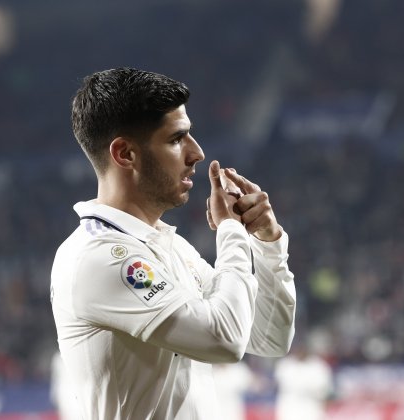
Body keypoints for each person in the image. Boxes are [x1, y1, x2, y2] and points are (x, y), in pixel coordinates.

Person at [50, 67, 296, 420]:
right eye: (176, 139)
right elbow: (223, 340)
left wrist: (268, 244)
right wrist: (230, 232)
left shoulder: (169, 246)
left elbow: (268, 337)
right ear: (125, 154)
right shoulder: (99, 256)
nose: (196, 153)